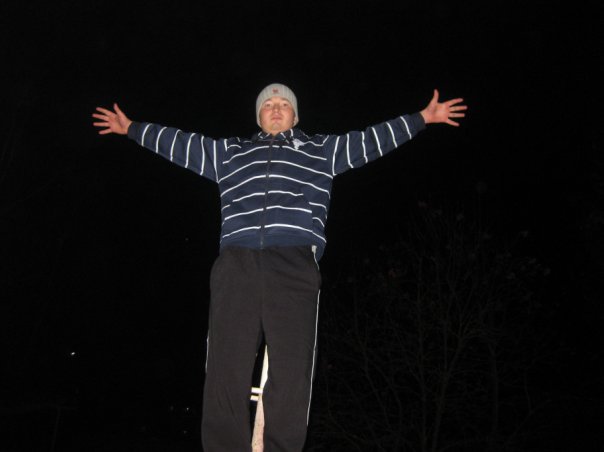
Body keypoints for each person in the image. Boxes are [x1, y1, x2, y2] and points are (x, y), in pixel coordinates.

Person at [92, 83, 467, 451]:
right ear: (259, 117)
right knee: (225, 369)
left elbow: (370, 140)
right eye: (268, 105)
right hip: (236, 264)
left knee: (291, 370)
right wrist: (132, 129)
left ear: (295, 116)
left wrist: (421, 118)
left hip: (293, 264)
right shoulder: (229, 153)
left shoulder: (321, 151)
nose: (275, 109)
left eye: (283, 105)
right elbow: (181, 144)